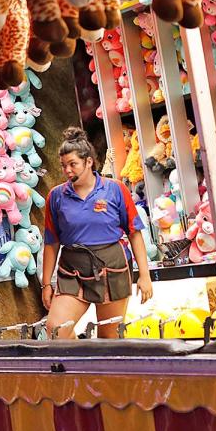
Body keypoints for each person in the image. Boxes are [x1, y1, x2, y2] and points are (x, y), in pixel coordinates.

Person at [42, 127, 154, 339]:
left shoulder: (115, 189)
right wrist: (46, 283)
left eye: (73, 164)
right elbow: (51, 242)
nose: (67, 170)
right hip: (72, 268)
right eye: (63, 166)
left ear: (89, 162)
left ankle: (100, 372)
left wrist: (145, 276)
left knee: (108, 338)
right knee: (56, 329)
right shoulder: (56, 196)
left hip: (111, 267)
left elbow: (135, 233)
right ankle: (78, 370)